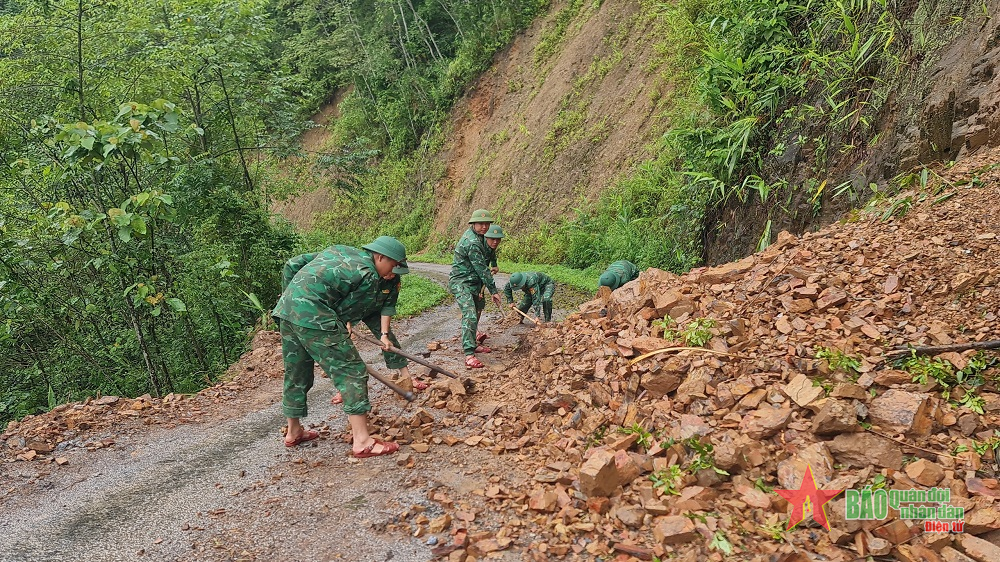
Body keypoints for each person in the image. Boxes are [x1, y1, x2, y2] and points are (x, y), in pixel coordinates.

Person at [272, 236, 407, 458]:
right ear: (381, 257)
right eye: (393, 265)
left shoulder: (341, 249)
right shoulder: (369, 275)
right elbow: (349, 311)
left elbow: (293, 264)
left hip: (287, 311)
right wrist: (338, 328)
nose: (392, 272)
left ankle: (293, 431)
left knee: (296, 371)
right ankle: (363, 442)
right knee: (352, 371)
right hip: (315, 316)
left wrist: (292, 296)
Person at [330, 259, 427, 406]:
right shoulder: (364, 274)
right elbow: (342, 297)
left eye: (395, 273)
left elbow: (388, 307)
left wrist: (384, 335)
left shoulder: (394, 279)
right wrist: (344, 320)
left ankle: (407, 378)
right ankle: (344, 388)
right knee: (342, 347)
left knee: (390, 342)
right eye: (390, 271)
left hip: (374, 311)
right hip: (348, 311)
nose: (392, 275)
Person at [449, 209, 502, 369]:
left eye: (487, 224)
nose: (485, 226)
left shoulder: (481, 237)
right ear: (473, 223)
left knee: (478, 310)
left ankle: (473, 342)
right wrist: (494, 291)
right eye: (481, 224)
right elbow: (482, 270)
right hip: (461, 282)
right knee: (470, 314)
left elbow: (491, 253)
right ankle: (469, 354)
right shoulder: (471, 242)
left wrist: (494, 265)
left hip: (475, 283)